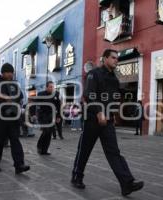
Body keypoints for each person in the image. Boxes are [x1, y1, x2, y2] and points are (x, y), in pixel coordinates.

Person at [71, 49, 144, 196]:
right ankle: (77, 176)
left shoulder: (115, 79)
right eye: (113, 58)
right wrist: (99, 112)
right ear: (104, 59)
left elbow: (114, 98)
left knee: (114, 152)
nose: (116, 60)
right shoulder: (94, 74)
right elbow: (89, 95)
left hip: (108, 121)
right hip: (92, 120)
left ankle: (127, 183)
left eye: (117, 58)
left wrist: (113, 114)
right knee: (84, 150)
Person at [0, 63, 30, 174]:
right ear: (3, 72)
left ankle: (19, 165)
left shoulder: (14, 85)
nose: (11, 75)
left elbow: (20, 98)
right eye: (9, 72)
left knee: (15, 140)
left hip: (13, 117)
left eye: (12, 72)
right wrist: (0, 96)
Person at [36, 81, 61, 155]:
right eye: (50, 87)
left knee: (49, 133)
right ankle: (39, 146)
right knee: (46, 131)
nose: (52, 88)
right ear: (46, 87)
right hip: (42, 115)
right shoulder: (41, 94)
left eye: (53, 87)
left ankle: (45, 150)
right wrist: (34, 114)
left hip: (51, 116)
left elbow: (58, 106)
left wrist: (58, 116)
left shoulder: (56, 94)